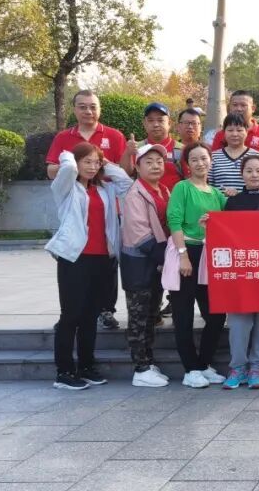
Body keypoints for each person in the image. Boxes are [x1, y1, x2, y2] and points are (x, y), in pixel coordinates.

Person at [46, 143, 132, 390]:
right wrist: (69, 157)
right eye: (88, 162)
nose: (93, 167)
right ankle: (64, 372)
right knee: (70, 315)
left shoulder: (105, 189)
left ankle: (86, 366)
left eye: (96, 162)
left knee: (90, 316)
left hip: (102, 258)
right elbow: (67, 169)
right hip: (75, 258)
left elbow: (126, 183)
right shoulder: (66, 188)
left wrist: (107, 165)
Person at [46, 90, 127, 330]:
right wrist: (72, 165)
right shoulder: (64, 137)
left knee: (108, 264)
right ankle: (70, 317)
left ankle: (106, 310)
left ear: (100, 109)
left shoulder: (114, 135)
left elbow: (126, 172)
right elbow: (52, 170)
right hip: (75, 200)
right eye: (82, 106)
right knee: (76, 281)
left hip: (107, 201)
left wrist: (100, 166)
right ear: (74, 109)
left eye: (93, 106)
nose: (88, 111)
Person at [219, 153, 259, 389]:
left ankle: (257, 367)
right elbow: (224, 234)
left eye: (258, 170)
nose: (254, 175)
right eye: (249, 171)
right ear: (242, 175)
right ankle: (237, 368)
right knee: (238, 323)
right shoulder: (233, 202)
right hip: (240, 272)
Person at [167, 142, 228, 388]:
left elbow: (231, 221)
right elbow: (174, 220)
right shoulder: (182, 188)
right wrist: (183, 255)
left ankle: (203, 364)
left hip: (208, 255)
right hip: (186, 250)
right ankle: (190, 369)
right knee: (183, 314)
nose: (200, 163)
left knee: (216, 314)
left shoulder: (216, 194)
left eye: (204, 158)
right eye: (194, 159)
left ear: (210, 161)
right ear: (187, 164)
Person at [120, 143, 172, 388]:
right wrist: (168, 258)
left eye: (159, 162)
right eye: (148, 162)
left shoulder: (164, 190)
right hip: (139, 262)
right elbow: (140, 234)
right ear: (137, 167)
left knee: (151, 314)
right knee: (139, 317)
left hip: (156, 261)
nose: (155, 166)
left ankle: (148, 362)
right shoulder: (135, 193)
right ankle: (140, 368)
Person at [120, 102, 182, 192]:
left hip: (175, 199)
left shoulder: (182, 149)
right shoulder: (136, 147)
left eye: (160, 120)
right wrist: (128, 153)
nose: (155, 124)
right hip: (143, 199)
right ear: (144, 123)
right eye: (150, 120)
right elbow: (125, 174)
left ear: (169, 123)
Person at [208, 90, 259, 154]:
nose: (239, 109)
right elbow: (214, 158)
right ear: (229, 107)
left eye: (243, 105)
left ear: (253, 108)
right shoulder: (221, 134)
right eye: (235, 105)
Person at [208, 114, 253, 196]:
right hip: (219, 203)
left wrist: (239, 195)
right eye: (230, 130)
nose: (235, 134)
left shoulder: (256, 156)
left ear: (246, 132)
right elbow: (208, 187)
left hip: (249, 204)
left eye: (239, 130)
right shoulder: (213, 157)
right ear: (224, 132)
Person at [173, 106, 204, 178]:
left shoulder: (208, 151)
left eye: (194, 123)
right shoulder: (171, 150)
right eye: (186, 123)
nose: (190, 127)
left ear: (200, 127)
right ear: (178, 127)